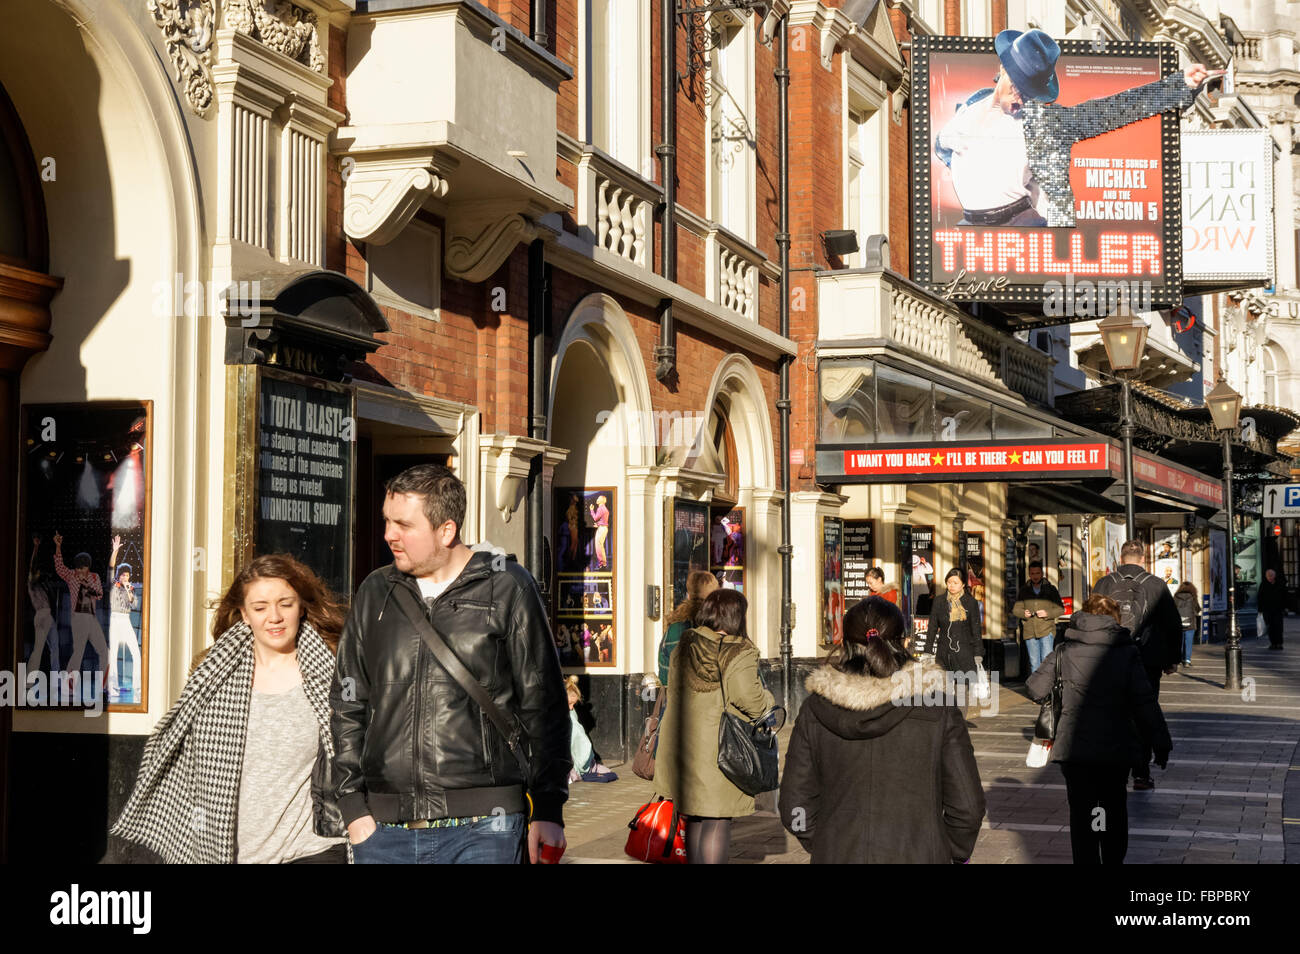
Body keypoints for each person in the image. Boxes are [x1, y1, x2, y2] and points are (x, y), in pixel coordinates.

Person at [331, 464, 571, 865]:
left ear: (446, 530)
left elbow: (543, 703)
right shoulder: (375, 591)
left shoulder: (508, 587)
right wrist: (354, 806)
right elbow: (347, 704)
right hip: (385, 832)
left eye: (404, 525)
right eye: (387, 521)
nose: (390, 534)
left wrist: (548, 808)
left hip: (485, 828)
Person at [112, 554, 348, 863]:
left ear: (301, 607)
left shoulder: (333, 673)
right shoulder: (213, 676)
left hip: (312, 849)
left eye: (285, 604)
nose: (274, 617)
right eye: (260, 607)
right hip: (229, 851)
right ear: (244, 614)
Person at [779, 596, 985, 863]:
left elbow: (794, 805)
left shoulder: (814, 710)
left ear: (845, 644)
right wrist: (950, 851)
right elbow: (967, 807)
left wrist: (824, 841)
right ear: (903, 641)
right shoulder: (938, 708)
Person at [935, 28, 1210, 228]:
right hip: (971, 222)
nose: (1020, 97)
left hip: (1020, 224)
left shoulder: (1046, 123)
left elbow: (1111, 110)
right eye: (1017, 86)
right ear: (1003, 69)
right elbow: (942, 147)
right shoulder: (970, 107)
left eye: (1028, 92)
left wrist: (1179, 86)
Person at [1026, 594, 1171, 864]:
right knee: (1112, 807)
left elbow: (1034, 687)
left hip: (1075, 748)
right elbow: (1145, 702)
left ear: (1084, 616)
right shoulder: (1127, 651)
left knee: (1083, 812)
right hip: (1116, 748)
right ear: (1114, 619)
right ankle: (1112, 859)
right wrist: (1160, 743)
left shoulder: (1064, 649)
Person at [654, 589, 774, 864]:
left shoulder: (685, 644)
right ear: (736, 617)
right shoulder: (738, 651)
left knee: (695, 815)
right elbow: (750, 701)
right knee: (717, 819)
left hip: (682, 747)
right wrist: (769, 699)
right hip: (720, 751)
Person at [1091, 540, 1181, 791]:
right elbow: (1173, 625)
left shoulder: (1104, 583)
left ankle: (1114, 767)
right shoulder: (1156, 585)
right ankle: (1141, 773)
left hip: (1109, 659)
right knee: (1144, 712)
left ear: (1121, 558)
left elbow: (1091, 619)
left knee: (1113, 712)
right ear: (1143, 559)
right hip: (1146, 660)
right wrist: (1172, 659)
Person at [51, 531, 108, 685]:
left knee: (104, 651)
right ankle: (69, 686)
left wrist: (85, 583)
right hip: (78, 618)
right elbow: (59, 567)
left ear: (87, 567)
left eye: (81, 568)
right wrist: (58, 546)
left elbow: (99, 594)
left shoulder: (94, 577)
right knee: (78, 652)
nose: (79, 571)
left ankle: (102, 685)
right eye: (77, 568)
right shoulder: (71, 576)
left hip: (91, 618)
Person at [658, 569, 719, 686]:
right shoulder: (722, 627)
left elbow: (665, 675)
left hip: (679, 700)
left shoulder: (674, 629)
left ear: (688, 595)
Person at [928, 568, 984, 687]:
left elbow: (976, 629)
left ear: (963, 584)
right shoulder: (939, 601)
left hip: (964, 652)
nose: (952, 586)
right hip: (944, 652)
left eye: (955, 583)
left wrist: (978, 653)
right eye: (949, 582)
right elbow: (932, 627)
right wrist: (927, 651)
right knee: (943, 690)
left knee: (962, 690)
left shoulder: (970, 602)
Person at [1011, 561, 1065, 675]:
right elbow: (1016, 609)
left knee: (1047, 662)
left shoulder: (1051, 589)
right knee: (1034, 663)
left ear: (1042, 573)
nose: (1035, 576)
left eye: (1037, 573)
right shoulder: (1024, 590)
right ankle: (1037, 691)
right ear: (1029, 574)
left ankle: (1047, 690)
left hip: (1046, 630)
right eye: (1032, 573)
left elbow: (1061, 609)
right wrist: (1023, 613)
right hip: (1029, 632)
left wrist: (1047, 613)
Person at [105, 534, 141, 703]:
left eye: (127, 575)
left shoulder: (131, 589)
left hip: (125, 620)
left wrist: (128, 590)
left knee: (136, 652)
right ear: (119, 576)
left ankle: (138, 687)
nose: (125, 577)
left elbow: (134, 605)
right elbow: (111, 567)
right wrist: (115, 551)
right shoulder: (113, 585)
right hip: (114, 619)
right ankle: (112, 689)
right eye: (123, 575)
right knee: (113, 655)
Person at [564, 677, 616, 783]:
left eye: (573, 704)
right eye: (569, 703)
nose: (571, 707)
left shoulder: (571, 713)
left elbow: (579, 738)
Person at [25, 535, 58, 677]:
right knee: (38, 649)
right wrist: (36, 547)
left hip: (48, 616)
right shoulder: (32, 582)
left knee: (55, 648)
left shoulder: (43, 585)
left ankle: (56, 678)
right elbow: (33, 566)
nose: (40, 573)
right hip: (41, 615)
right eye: (39, 571)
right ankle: (28, 679)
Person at [1256, 568, 1286, 651]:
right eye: (1268, 576)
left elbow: (1284, 596)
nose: (1270, 577)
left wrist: (1284, 607)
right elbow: (1260, 597)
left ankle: (1279, 643)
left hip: (1278, 609)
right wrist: (1260, 609)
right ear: (1266, 576)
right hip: (1267, 609)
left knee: (1278, 627)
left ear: (1275, 576)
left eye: (1271, 575)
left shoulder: (1279, 584)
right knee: (1270, 627)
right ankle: (1273, 643)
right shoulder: (1264, 584)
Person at [1173, 581, 1200, 666]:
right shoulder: (1193, 597)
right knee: (1188, 642)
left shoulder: (1176, 597)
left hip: (1178, 624)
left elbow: (1172, 609)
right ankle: (1187, 660)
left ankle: (1179, 659)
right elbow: (1197, 609)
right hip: (1190, 623)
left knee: (1179, 642)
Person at [589, 494, 610, 569]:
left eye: (598, 499)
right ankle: (603, 564)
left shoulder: (600, 508)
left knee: (598, 546)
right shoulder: (604, 508)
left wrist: (591, 510)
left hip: (602, 529)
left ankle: (601, 564)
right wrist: (598, 524)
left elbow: (595, 518)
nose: (596, 500)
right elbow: (603, 520)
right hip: (603, 528)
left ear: (601, 500)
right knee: (601, 546)